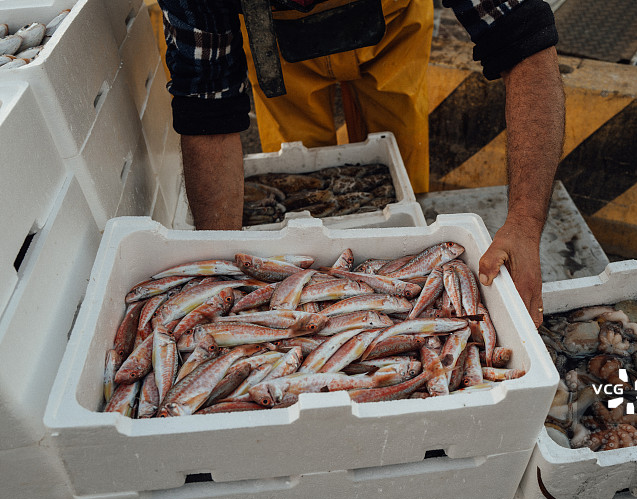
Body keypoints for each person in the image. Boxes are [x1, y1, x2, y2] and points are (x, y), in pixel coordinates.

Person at [157, 0, 565, 326]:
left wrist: (525, 224)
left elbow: (524, 36)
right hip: (273, 34)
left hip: (391, 23)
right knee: (297, 172)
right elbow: (207, 106)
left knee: (402, 154)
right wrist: (218, 267)